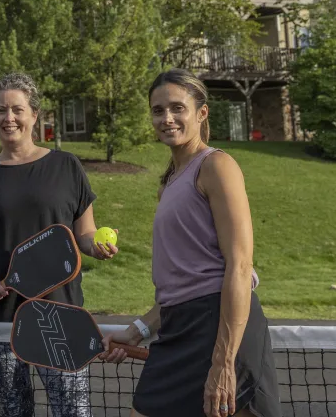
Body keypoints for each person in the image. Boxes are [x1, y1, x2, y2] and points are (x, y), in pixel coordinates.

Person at [104, 69, 280, 417]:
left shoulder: (217, 166)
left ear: (201, 113)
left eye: (177, 108)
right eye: (157, 110)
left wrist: (224, 362)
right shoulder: (169, 182)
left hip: (221, 325)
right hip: (177, 327)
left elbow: (240, 267)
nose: (166, 118)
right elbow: (182, 284)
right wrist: (137, 331)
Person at [0, 73, 119, 417]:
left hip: (60, 313)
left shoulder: (66, 166)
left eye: (17, 109)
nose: (8, 118)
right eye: (0, 111)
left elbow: (84, 234)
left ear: (34, 115)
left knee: (73, 410)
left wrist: (95, 247)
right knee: (15, 410)